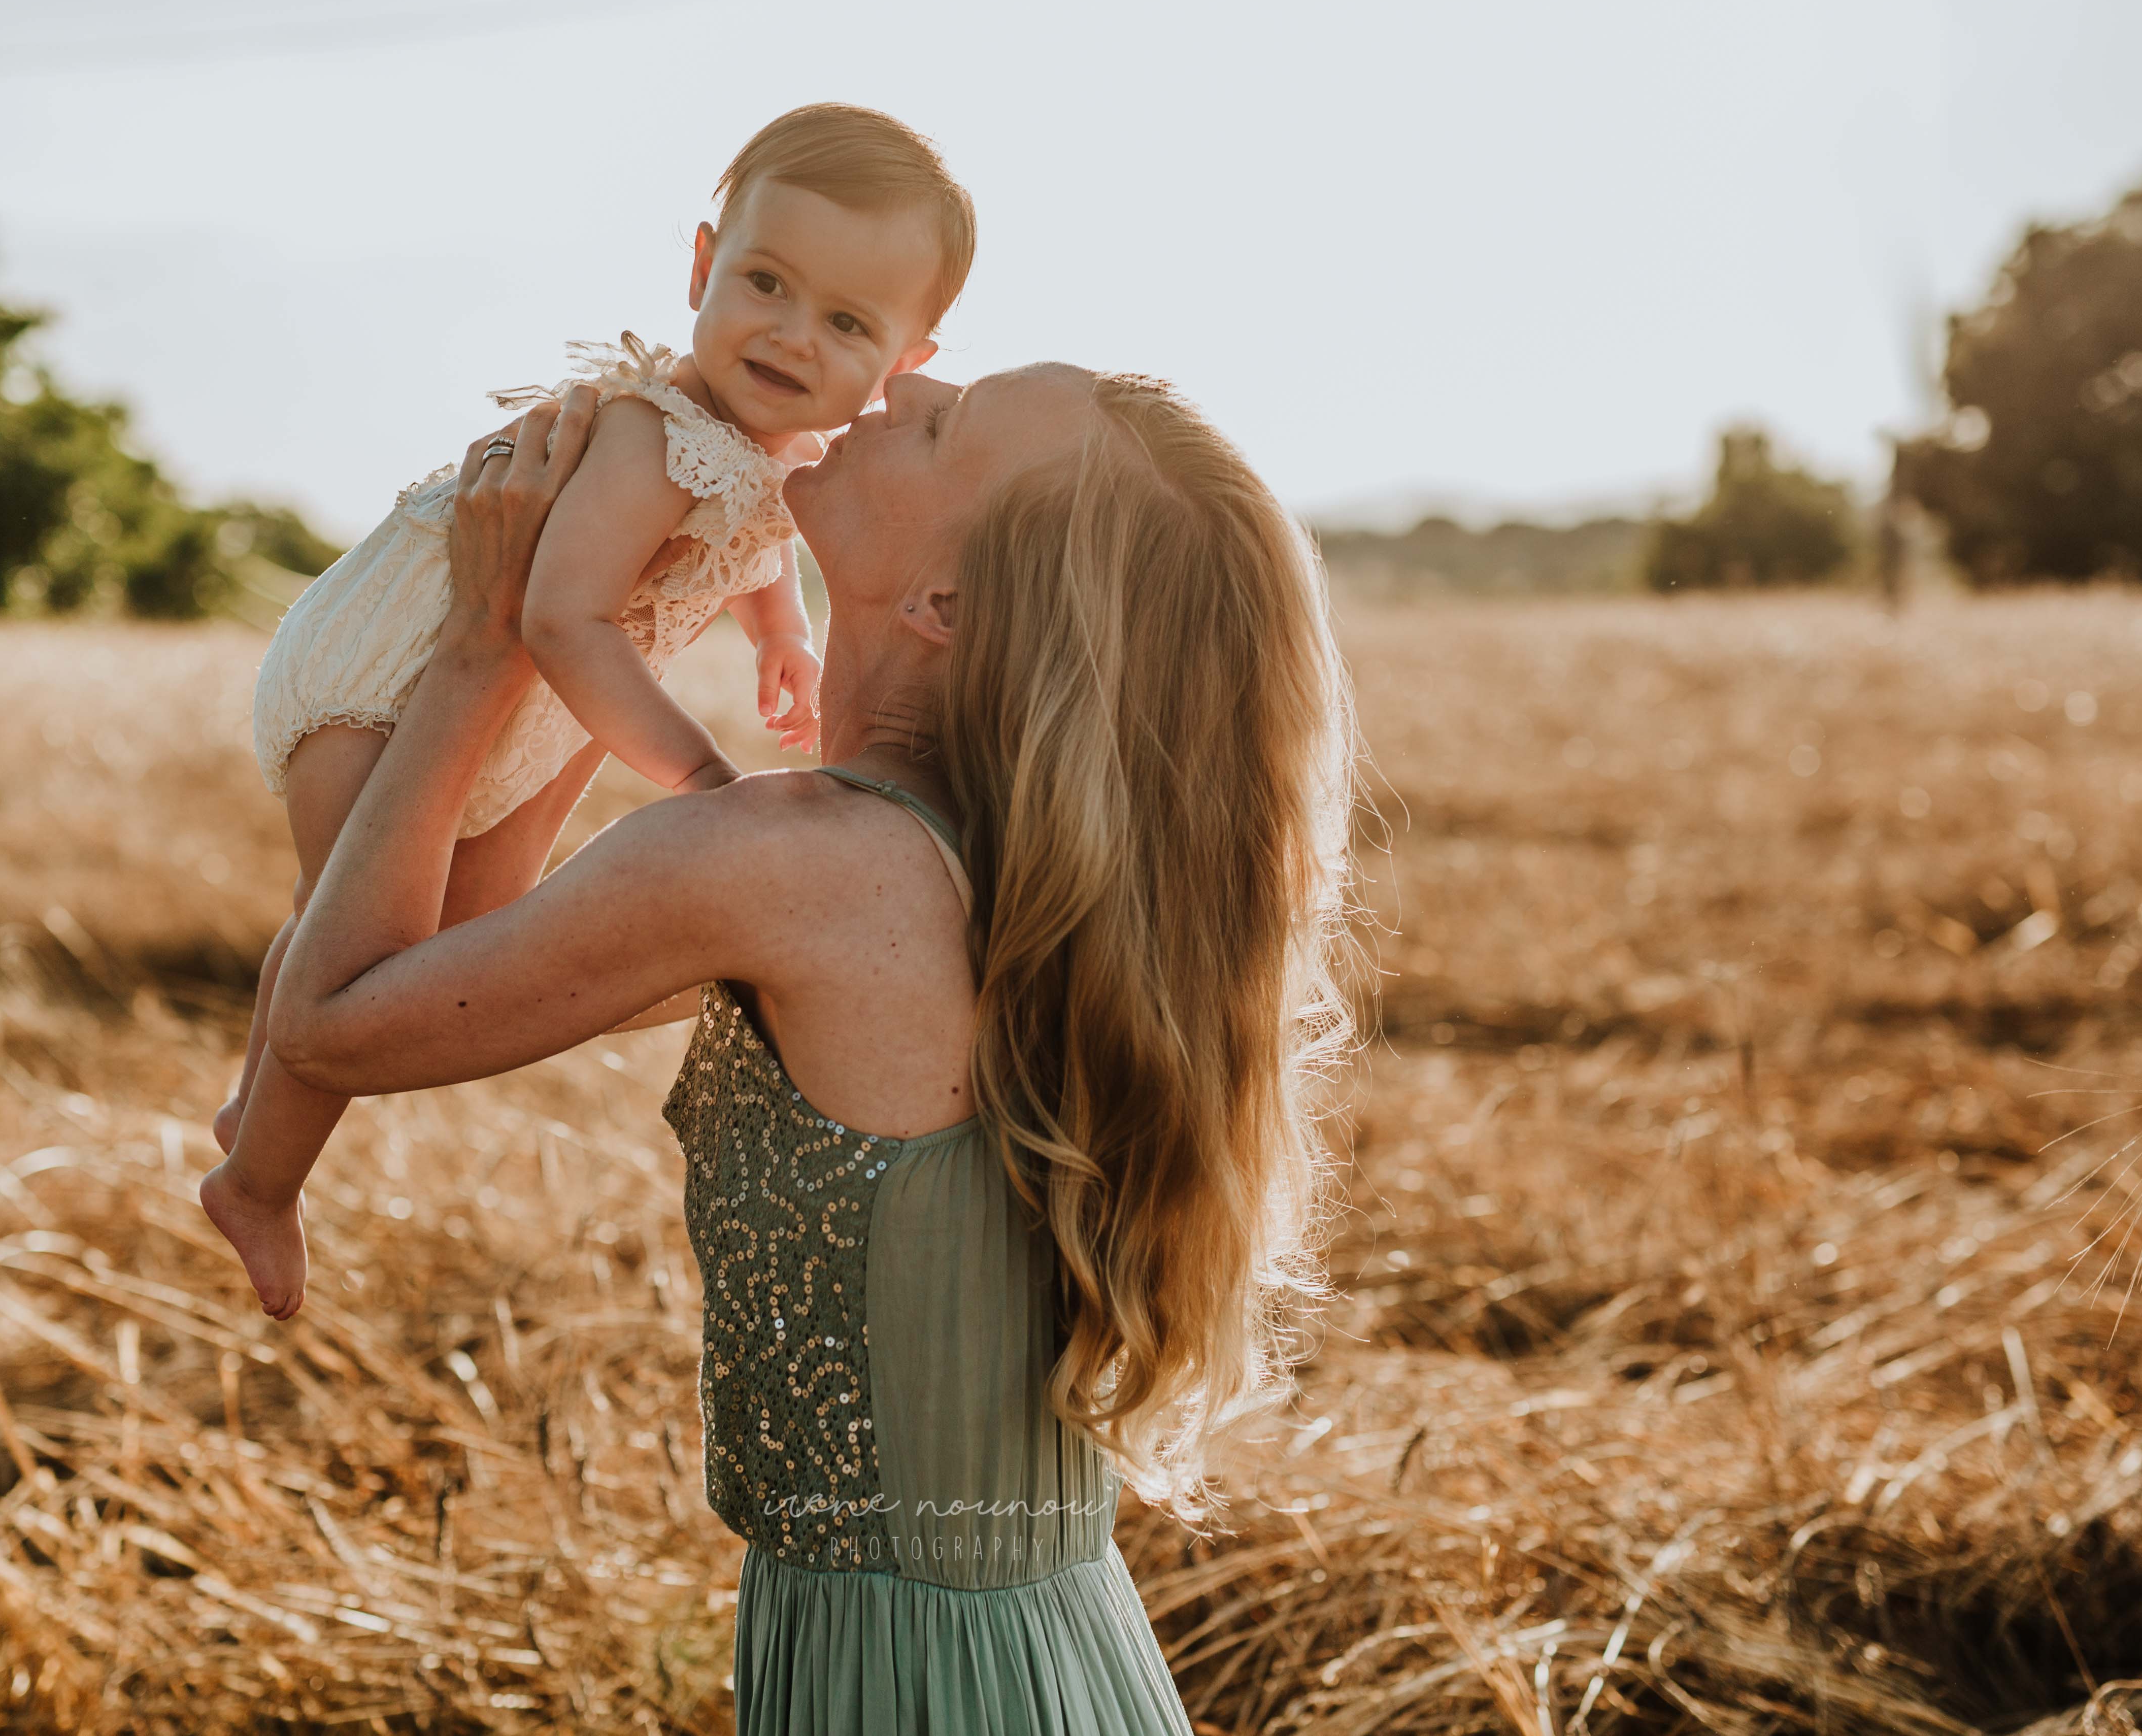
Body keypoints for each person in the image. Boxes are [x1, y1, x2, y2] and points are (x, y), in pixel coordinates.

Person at [207, 360, 1357, 1732]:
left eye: (944, 422)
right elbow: (478, 951)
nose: (905, 374)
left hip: (911, 1691)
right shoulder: (1005, 871)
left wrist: (484, 639)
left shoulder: (792, 862)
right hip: (1055, 1657)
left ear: (945, 603)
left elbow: (331, 1019)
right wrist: (612, 611)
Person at [215, 105, 978, 1318]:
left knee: (447, 943)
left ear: (909, 357)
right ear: (699, 265)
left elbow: (752, 528)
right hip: (386, 676)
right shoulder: (646, 433)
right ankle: (257, 1178)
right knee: (355, 933)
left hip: (519, 714)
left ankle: (257, 1096)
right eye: (764, 282)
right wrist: (698, 778)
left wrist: (784, 631)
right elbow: (560, 620)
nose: (789, 335)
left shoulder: (773, 446)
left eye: (843, 321)